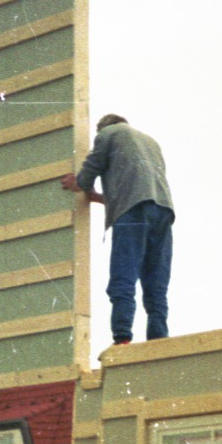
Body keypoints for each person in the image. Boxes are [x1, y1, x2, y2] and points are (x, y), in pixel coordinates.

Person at [61, 114, 175, 346]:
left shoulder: (108, 134)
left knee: (123, 276)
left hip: (134, 212)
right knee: (156, 283)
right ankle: (159, 342)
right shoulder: (150, 142)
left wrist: (80, 183)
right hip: (163, 211)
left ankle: (122, 337)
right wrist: (97, 198)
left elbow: (92, 166)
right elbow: (139, 189)